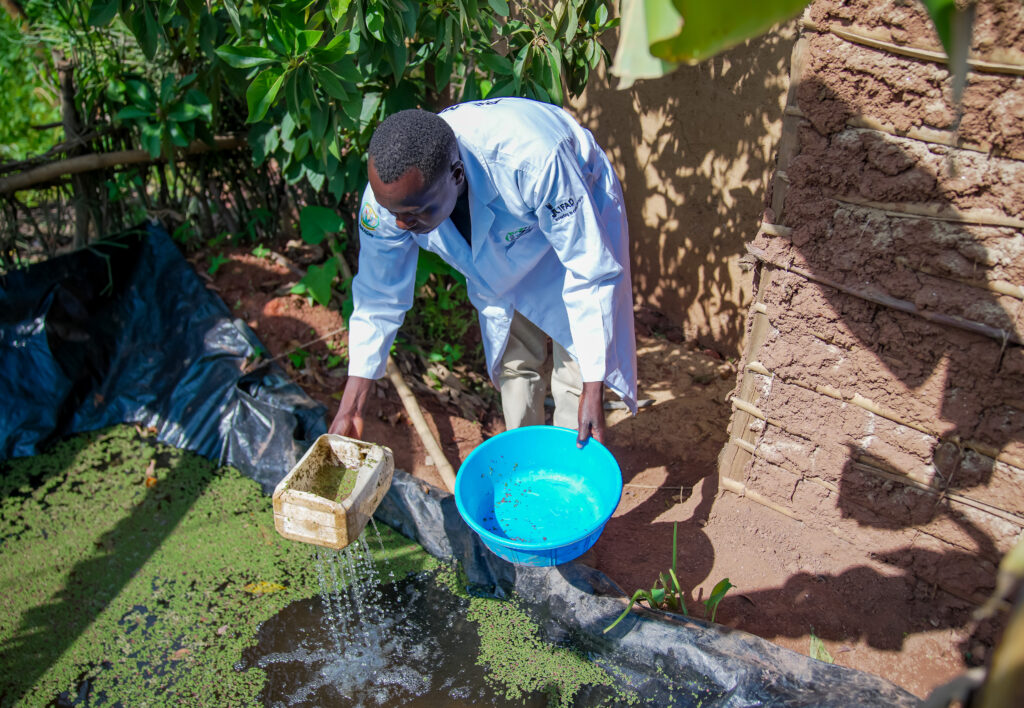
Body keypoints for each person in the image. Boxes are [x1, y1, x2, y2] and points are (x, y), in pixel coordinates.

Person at [328, 97, 637, 447]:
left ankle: (571, 463)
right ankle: (523, 459)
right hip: (504, 249)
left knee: (576, 369)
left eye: (413, 213)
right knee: (515, 359)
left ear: (457, 175)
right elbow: (378, 298)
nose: (399, 224)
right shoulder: (392, 197)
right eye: (393, 213)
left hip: (572, 212)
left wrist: (594, 386)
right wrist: (351, 408)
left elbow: (587, 268)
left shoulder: (531, 159)